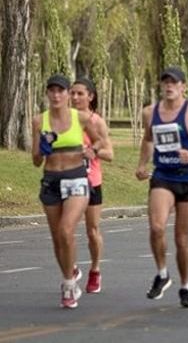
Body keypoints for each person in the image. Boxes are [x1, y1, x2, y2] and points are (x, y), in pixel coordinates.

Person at [135, 67, 188, 308]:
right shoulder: (150, 113)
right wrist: (141, 164)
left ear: (183, 86)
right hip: (163, 176)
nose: (169, 86)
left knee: (182, 239)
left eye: (174, 82)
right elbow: (148, 139)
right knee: (157, 227)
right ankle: (162, 273)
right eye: (165, 82)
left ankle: (185, 286)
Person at [33, 74, 107, 309]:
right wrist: (42, 149)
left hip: (76, 179)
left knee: (67, 230)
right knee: (57, 237)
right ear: (47, 94)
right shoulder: (39, 121)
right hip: (52, 180)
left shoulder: (82, 118)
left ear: (67, 95)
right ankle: (68, 279)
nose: (56, 95)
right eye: (51, 90)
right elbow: (35, 161)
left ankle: (69, 283)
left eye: (61, 91)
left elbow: (100, 142)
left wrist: (91, 151)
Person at [70, 77, 114, 294]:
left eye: (80, 93)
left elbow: (110, 154)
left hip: (91, 181)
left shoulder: (96, 122)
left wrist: (93, 151)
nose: (75, 97)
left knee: (92, 230)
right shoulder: (64, 119)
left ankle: (95, 270)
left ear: (90, 96)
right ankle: (71, 267)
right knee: (64, 228)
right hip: (69, 181)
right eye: (73, 93)